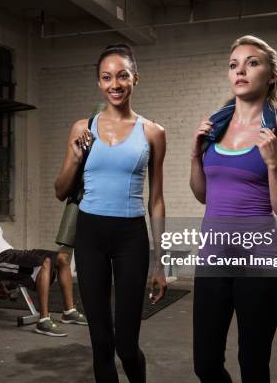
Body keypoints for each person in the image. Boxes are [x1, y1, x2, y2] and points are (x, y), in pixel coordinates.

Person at [189, 35, 277, 383]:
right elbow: (204, 196)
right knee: (205, 365)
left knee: (253, 366)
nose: (240, 70)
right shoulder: (215, 129)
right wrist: (195, 154)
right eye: (234, 64)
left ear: (271, 75)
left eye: (252, 62)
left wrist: (272, 165)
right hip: (212, 262)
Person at [54, 43, 167, 383]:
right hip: (90, 236)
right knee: (101, 342)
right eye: (106, 77)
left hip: (130, 238)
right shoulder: (81, 129)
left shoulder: (153, 133)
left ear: (136, 78)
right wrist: (75, 157)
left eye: (122, 76)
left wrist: (160, 261)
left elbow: (157, 199)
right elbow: (61, 191)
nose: (114, 84)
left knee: (126, 344)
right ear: (99, 82)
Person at [0, 187, 87, 337]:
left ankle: (69, 312)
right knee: (45, 262)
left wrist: (1, 287)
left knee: (62, 258)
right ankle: (43, 321)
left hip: (13, 253)